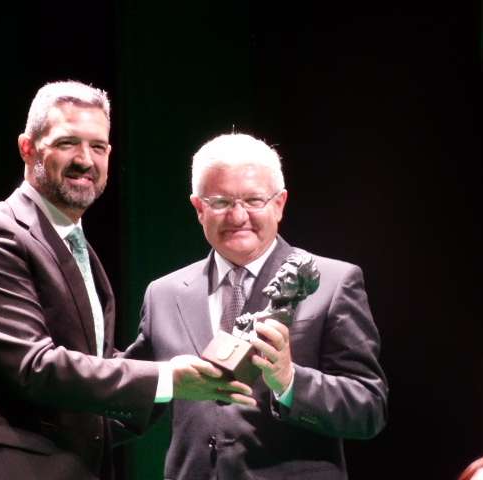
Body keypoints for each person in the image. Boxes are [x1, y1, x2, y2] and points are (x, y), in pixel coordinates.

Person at [0, 81, 254, 480]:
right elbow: (36, 367)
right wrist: (168, 378)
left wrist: (188, 369)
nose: (85, 160)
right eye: (68, 143)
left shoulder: (75, 245)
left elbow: (91, 367)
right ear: (27, 148)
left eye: (98, 147)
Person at [125, 133, 388, 479]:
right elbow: (133, 394)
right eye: (221, 202)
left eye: (253, 200)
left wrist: (290, 381)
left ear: (279, 204)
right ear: (199, 208)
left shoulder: (332, 282)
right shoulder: (163, 294)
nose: (238, 216)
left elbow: (369, 408)